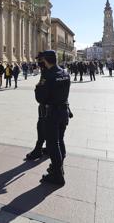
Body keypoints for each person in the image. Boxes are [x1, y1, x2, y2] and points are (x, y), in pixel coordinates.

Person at [35, 50, 70, 187]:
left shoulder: (48, 76)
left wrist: (38, 87)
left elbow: (40, 98)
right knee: (60, 140)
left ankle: (57, 175)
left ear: (46, 61)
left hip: (52, 113)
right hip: (64, 111)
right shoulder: (65, 73)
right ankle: (59, 167)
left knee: (51, 143)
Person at [26, 52, 47, 160]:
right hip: (54, 107)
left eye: (39, 60)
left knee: (41, 126)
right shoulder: (57, 72)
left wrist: (37, 89)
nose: (38, 62)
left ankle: (38, 149)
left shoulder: (46, 72)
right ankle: (48, 147)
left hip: (46, 106)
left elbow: (41, 90)